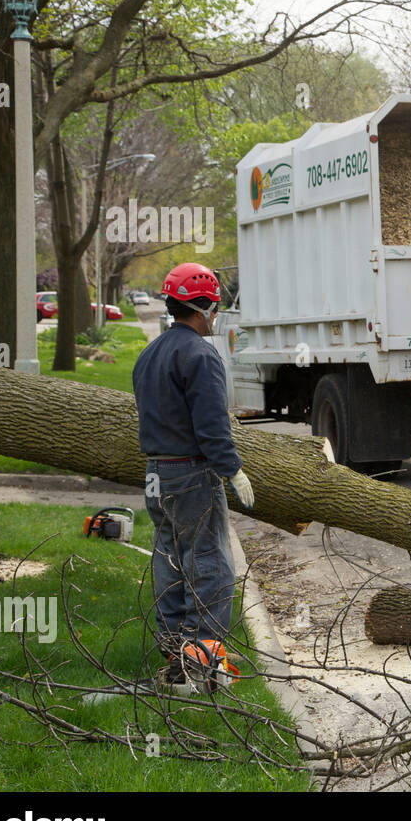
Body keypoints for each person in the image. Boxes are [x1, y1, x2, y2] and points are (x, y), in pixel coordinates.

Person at [132, 262, 255, 690]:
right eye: (214, 309)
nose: (215, 316)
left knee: (169, 558)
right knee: (208, 564)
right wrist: (232, 471)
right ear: (201, 308)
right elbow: (211, 428)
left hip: (156, 474)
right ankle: (201, 656)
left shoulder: (151, 353)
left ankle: (174, 649)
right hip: (190, 475)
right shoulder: (201, 355)